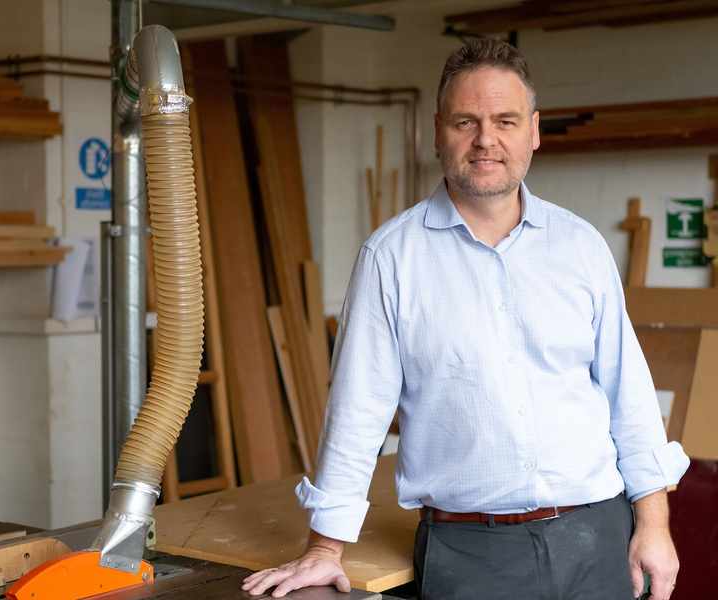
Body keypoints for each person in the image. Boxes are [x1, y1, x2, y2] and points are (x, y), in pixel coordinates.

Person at [241, 39, 689, 600]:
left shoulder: (581, 246)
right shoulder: (391, 258)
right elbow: (358, 411)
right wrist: (325, 548)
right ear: (437, 130)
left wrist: (654, 524)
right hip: (471, 554)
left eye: (506, 120)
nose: (486, 139)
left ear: (534, 131)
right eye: (465, 121)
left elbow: (631, 395)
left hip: (597, 538)